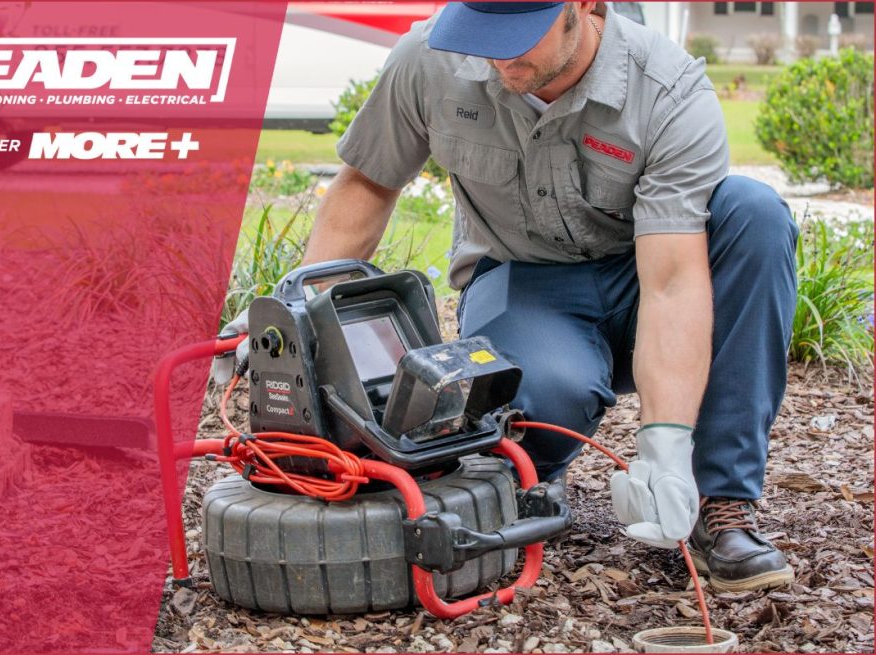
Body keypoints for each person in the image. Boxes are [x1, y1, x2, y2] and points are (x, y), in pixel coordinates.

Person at [216, 1, 798, 593]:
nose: (496, 53)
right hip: (526, 281)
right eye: (481, 31)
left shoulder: (665, 90)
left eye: (518, 34)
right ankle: (538, 470)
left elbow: (673, 283)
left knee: (754, 214)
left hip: (650, 281)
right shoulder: (430, 60)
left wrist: (666, 443)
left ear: (585, 7)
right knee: (537, 396)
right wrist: (291, 311)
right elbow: (368, 182)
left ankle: (718, 498)